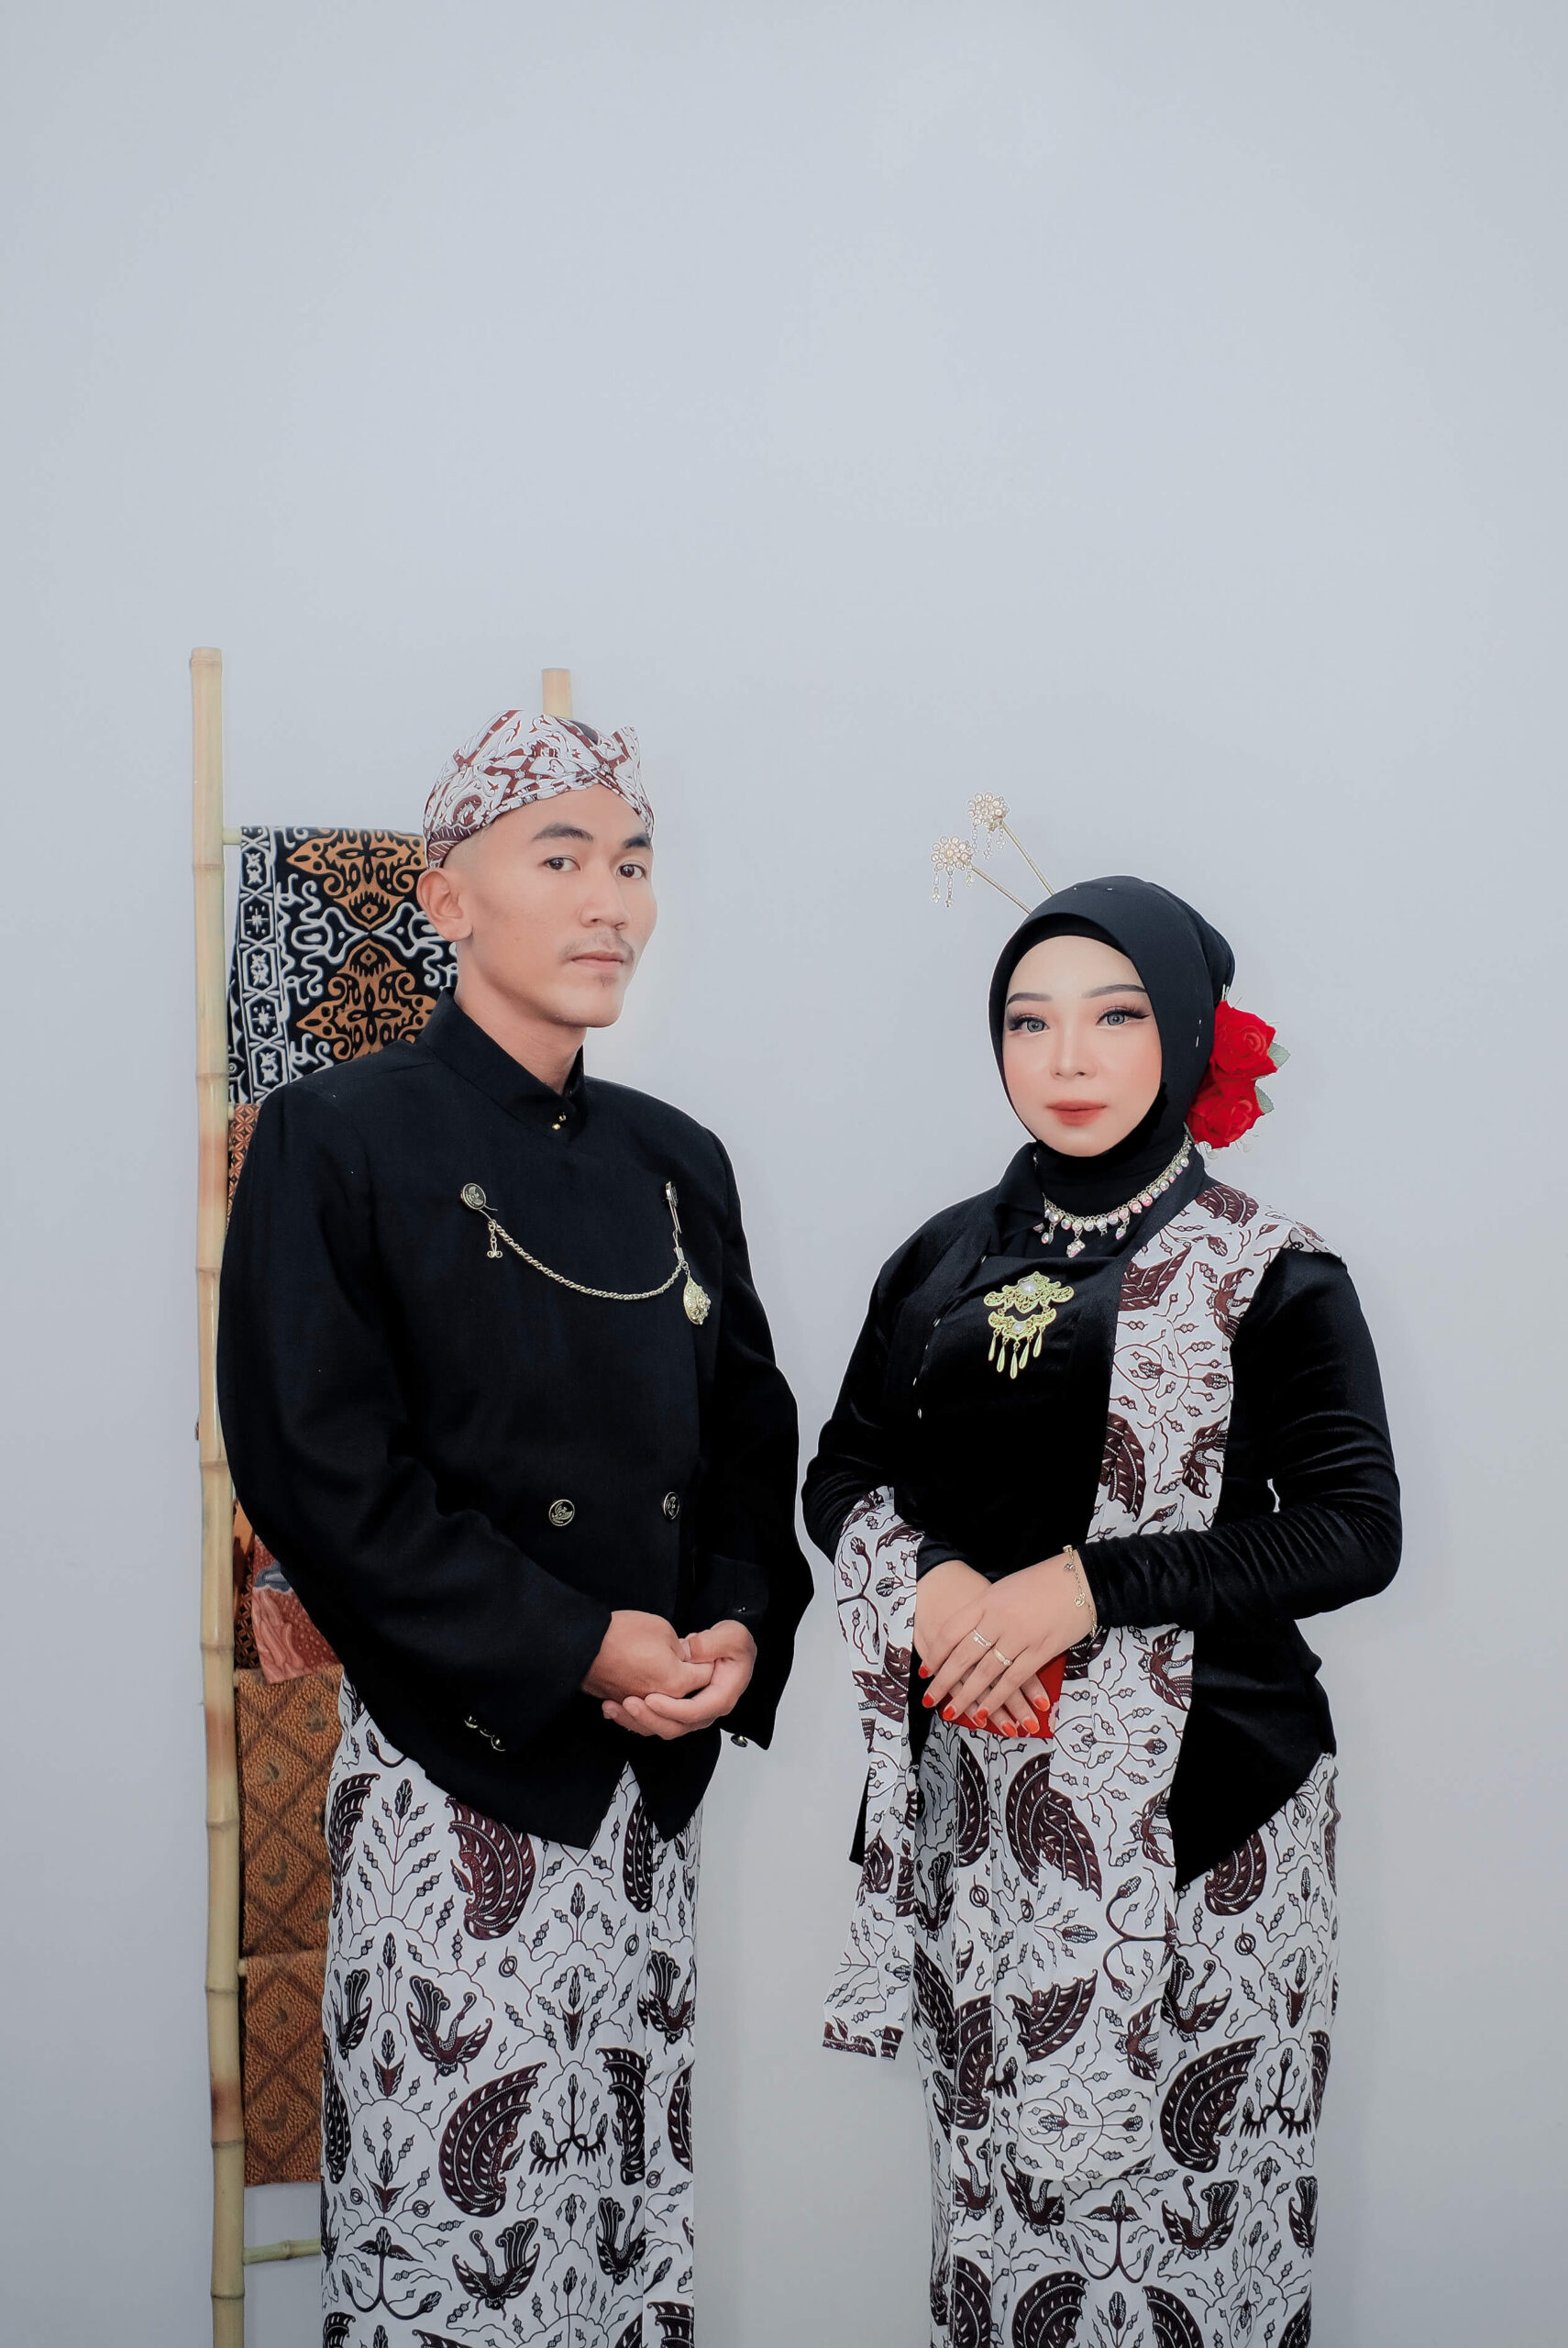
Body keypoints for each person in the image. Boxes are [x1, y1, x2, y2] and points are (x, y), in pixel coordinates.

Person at [219, 709, 812, 2348]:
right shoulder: (336, 1132)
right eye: (560, 858)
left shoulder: (675, 1158)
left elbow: (748, 1439)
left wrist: (735, 1626)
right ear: (446, 897)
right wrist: (574, 1642)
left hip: (645, 1785)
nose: (610, 900)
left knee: (626, 2242)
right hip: (455, 1776)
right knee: (454, 2255)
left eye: (632, 862)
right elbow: (316, 1472)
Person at [804, 876, 1399, 2348]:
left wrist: (1087, 1588)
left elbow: (1353, 1530)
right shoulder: (939, 1259)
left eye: (1114, 1017)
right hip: (990, 1816)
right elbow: (846, 1476)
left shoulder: (1273, 1267)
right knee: (1004, 2235)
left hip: (1210, 1824)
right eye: (1028, 1021)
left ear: (1185, 1034)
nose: (1065, 1058)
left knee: (1192, 2235)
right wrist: (938, 1591)